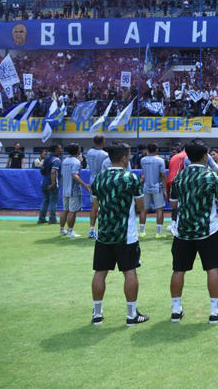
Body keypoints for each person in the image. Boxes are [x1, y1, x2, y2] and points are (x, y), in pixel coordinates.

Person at [169, 140, 218, 324]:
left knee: (178, 270)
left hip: (183, 231)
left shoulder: (179, 177)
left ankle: (176, 310)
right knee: (212, 269)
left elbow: (173, 204)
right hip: (208, 231)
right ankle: (214, 311)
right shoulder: (211, 176)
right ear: (205, 157)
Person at [89, 142, 149, 326]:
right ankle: (131, 315)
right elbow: (141, 207)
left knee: (100, 273)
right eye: (129, 155)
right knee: (129, 272)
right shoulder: (130, 178)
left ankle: (97, 313)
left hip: (104, 233)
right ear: (123, 158)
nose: (130, 157)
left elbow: (95, 207)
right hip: (126, 235)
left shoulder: (98, 179)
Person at [60, 143, 90, 238]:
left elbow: (63, 175)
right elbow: (74, 175)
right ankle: (70, 231)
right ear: (77, 150)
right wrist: (85, 185)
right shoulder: (76, 162)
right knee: (73, 211)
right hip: (74, 190)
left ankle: (62, 229)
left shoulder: (64, 161)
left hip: (65, 189)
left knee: (65, 210)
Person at [139, 143, 167, 238]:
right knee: (159, 209)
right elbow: (163, 176)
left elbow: (143, 173)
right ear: (156, 149)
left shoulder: (142, 160)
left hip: (146, 187)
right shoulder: (160, 160)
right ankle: (158, 233)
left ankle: (142, 232)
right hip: (157, 187)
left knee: (144, 209)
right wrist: (165, 190)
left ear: (147, 149)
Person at [86, 135, 109, 238]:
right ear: (103, 141)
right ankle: (102, 229)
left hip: (92, 179)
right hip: (101, 180)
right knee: (104, 205)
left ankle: (92, 230)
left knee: (93, 206)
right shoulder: (105, 155)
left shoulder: (89, 152)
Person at [38, 144, 62, 225]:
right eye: (60, 148)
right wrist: (53, 183)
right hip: (52, 183)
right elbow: (53, 171)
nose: (61, 150)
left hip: (44, 182)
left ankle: (41, 218)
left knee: (45, 200)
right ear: (55, 150)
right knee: (53, 202)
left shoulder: (47, 157)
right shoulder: (56, 160)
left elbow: (42, 170)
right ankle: (52, 219)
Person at [167, 143, 187, 233]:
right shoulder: (185, 156)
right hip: (179, 181)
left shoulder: (175, 156)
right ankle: (177, 224)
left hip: (171, 181)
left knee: (175, 205)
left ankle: (173, 223)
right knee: (182, 204)